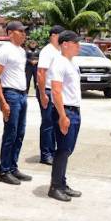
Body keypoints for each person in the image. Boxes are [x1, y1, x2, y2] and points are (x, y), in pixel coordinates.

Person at [0, 21, 32, 186]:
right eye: (20, 31)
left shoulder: (21, 51)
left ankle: (13, 166)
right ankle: (4, 170)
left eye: (24, 31)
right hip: (11, 95)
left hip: (22, 96)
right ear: (10, 33)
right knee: (10, 133)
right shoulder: (5, 50)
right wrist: (3, 101)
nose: (24, 34)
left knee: (20, 133)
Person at [47, 30, 84, 202]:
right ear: (65, 44)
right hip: (65, 111)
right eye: (76, 43)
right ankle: (55, 187)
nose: (79, 46)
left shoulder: (72, 63)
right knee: (62, 150)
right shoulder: (59, 62)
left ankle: (62, 183)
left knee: (68, 150)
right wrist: (62, 116)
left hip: (74, 110)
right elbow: (56, 91)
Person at [36, 25, 65, 165]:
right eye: (61, 35)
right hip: (46, 90)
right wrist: (42, 94)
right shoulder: (47, 51)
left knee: (54, 123)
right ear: (54, 35)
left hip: (55, 91)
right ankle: (46, 154)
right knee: (47, 123)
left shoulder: (59, 51)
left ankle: (52, 151)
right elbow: (41, 73)